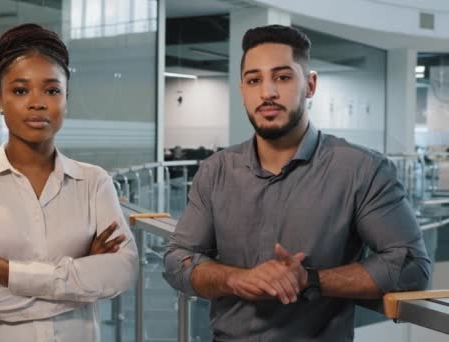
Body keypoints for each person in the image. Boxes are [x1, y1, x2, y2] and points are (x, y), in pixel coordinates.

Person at [163, 25, 431, 341]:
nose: (267, 93)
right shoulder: (215, 171)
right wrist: (237, 279)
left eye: (283, 77)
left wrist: (309, 280)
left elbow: (412, 266)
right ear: (243, 90)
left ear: (311, 84)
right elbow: (176, 260)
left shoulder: (361, 169)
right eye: (254, 80)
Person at [0, 23, 138, 342]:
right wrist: (79, 282)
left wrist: (6, 272)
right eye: (20, 90)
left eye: (52, 90)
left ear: (66, 98)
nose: (37, 102)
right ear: (0, 101)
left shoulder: (93, 182)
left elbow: (123, 271)